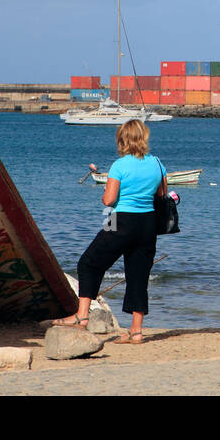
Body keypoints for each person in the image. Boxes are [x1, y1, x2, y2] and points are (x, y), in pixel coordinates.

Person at [56, 118, 167, 343]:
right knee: (138, 275)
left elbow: (109, 200)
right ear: (144, 138)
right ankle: (136, 331)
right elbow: (162, 194)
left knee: (89, 263)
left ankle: (82, 316)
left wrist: (107, 194)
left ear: (122, 140)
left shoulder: (119, 165)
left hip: (120, 220)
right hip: (148, 224)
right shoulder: (157, 163)